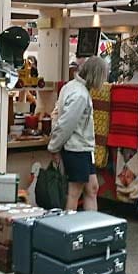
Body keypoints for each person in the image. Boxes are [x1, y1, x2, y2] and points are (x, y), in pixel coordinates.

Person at [48, 56, 108, 211]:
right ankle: (72, 229)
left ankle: (86, 226)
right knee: (75, 192)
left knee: (91, 188)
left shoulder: (71, 87)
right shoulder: (80, 95)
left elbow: (57, 115)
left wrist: (55, 145)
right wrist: (54, 147)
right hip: (77, 149)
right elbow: (66, 124)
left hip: (80, 148)